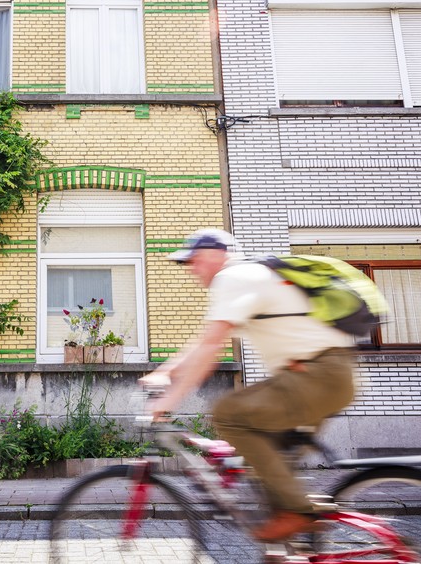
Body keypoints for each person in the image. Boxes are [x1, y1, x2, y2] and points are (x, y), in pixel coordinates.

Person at [140, 228, 357, 542]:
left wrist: (168, 399)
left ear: (217, 255)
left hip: (317, 377)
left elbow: (210, 348)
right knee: (268, 473)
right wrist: (165, 371)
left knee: (229, 414)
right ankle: (290, 539)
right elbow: (204, 341)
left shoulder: (234, 277)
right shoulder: (252, 278)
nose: (192, 270)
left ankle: (299, 511)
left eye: (195, 261)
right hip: (325, 376)